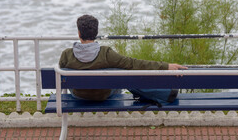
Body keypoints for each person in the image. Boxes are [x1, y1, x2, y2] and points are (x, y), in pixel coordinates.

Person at [59, 14, 187, 101]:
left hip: (78, 96)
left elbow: (60, 77)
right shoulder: (106, 53)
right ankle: (165, 94)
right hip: (104, 95)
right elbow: (134, 64)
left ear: (79, 33)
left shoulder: (67, 54)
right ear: (96, 33)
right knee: (121, 74)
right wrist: (166, 66)